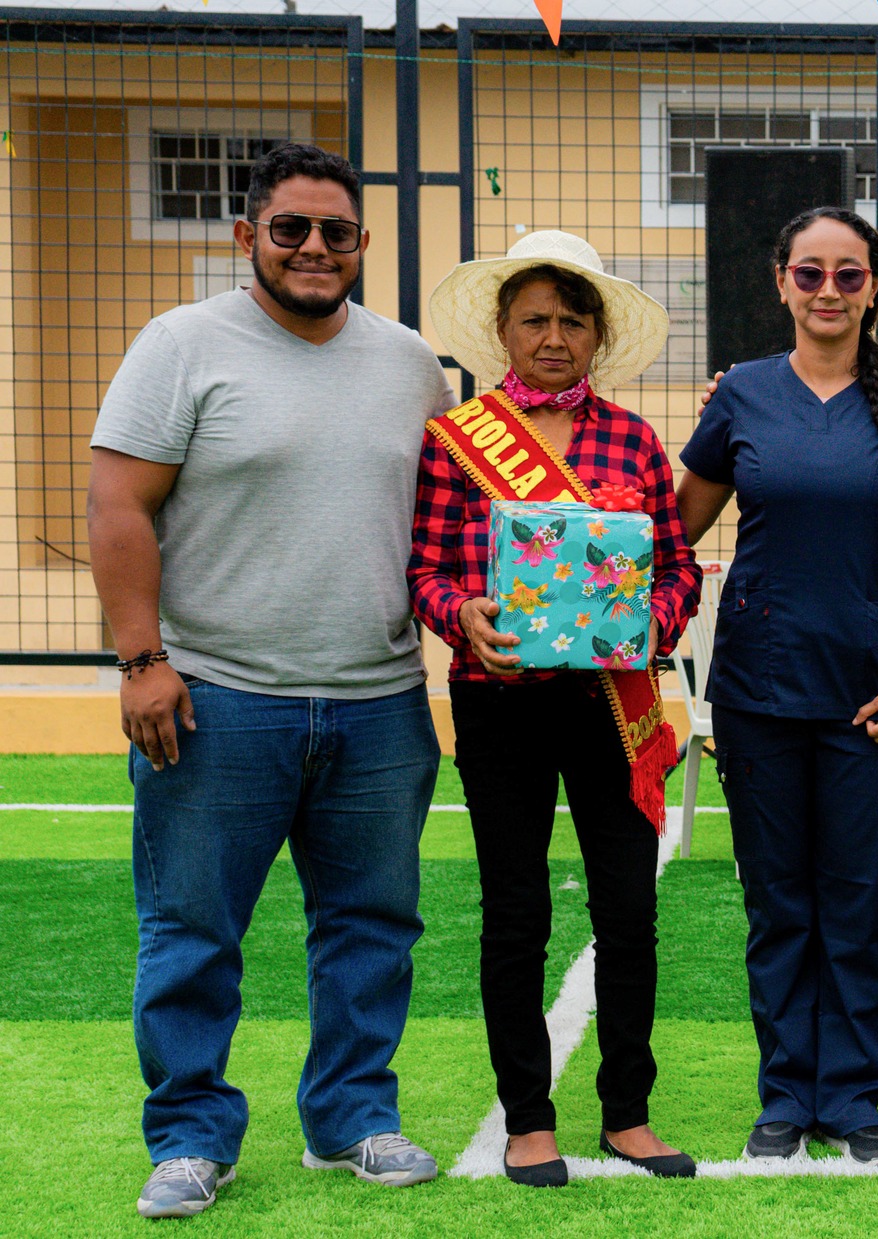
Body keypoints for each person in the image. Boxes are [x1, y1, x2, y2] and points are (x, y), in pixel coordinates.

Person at [88, 143, 449, 1219]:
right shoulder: (181, 345)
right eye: (290, 228)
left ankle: (351, 1118)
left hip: (380, 700)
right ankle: (190, 1136)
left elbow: (443, 524)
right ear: (248, 235)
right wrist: (141, 660)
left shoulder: (409, 363)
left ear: (363, 242)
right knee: (192, 930)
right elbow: (117, 506)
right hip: (217, 696)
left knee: (372, 927)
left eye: (336, 231)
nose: (313, 248)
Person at [410, 231, 700, 1186]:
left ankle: (628, 1114)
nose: (553, 337)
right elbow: (425, 568)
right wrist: (463, 615)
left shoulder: (634, 441)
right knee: (516, 913)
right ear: (502, 330)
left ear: (597, 336)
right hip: (498, 702)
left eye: (574, 321)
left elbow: (678, 567)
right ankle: (529, 1120)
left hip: (612, 703)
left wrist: (650, 622)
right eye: (534, 319)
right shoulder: (458, 440)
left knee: (629, 911)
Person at [677, 208, 878, 1166]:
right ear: (781, 282)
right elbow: (675, 527)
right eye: (810, 273)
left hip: (872, 698)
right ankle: (785, 1097)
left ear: (874, 287)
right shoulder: (742, 395)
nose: (828, 290)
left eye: (849, 274)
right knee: (778, 906)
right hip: (757, 690)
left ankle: (852, 1098)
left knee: (856, 904)